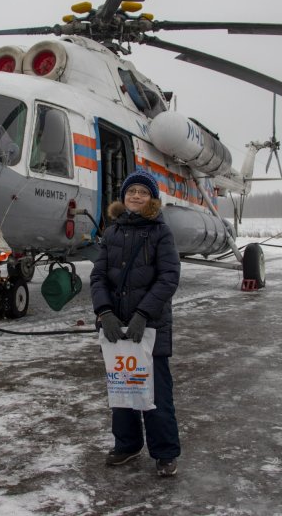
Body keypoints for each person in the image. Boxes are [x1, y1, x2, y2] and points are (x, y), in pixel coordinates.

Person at [90, 169, 182, 477]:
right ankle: (127, 445)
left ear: (152, 199)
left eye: (143, 192)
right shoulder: (112, 232)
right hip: (116, 327)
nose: (136, 196)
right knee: (122, 390)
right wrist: (104, 313)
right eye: (132, 192)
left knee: (156, 394)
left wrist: (143, 314)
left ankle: (165, 453)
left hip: (151, 328)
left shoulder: (160, 232)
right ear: (123, 197)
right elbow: (98, 276)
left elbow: (169, 277)